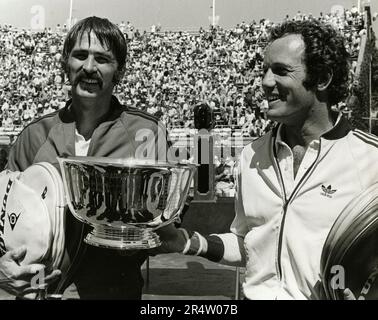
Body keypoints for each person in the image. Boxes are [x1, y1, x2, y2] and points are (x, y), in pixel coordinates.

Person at [157, 19, 378, 300]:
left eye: (281, 71)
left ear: (322, 78)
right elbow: (246, 242)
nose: (265, 82)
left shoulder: (371, 159)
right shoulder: (251, 155)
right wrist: (185, 242)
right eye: (264, 70)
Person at [1, 16, 169, 299]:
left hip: (115, 291)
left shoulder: (146, 132)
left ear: (120, 71)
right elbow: (5, 215)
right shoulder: (34, 134)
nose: (89, 67)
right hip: (41, 288)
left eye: (102, 59)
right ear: (66, 63)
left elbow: (166, 220)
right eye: (80, 55)